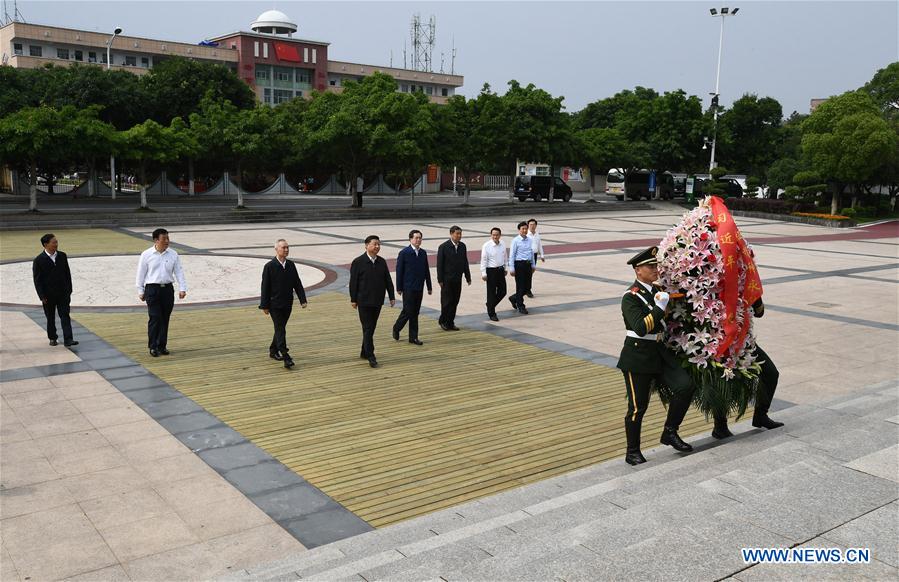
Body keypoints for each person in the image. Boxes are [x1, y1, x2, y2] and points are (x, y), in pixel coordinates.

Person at [617, 246, 695, 465]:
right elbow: (641, 327)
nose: (655, 270)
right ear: (637, 270)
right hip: (638, 355)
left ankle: (669, 431)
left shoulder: (655, 291)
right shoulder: (630, 297)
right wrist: (661, 306)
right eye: (650, 267)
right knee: (637, 407)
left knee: (685, 386)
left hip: (660, 351)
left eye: (656, 266)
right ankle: (632, 451)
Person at [711, 297, 784, 438]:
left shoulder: (745, 280)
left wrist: (754, 297)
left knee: (770, 373)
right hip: (719, 342)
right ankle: (720, 425)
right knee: (721, 380)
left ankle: (761, 415)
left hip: (744, 341)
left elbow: (759, 313)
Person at [135, 228, 187, 357]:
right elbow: (140, 274)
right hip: (152, 289)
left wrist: (182, 288)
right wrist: (140, 290)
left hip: (167, 290)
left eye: (168, 238)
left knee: (165, 318)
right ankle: (153, 346)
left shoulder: (173, 254)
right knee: (155, 317)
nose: (167, 241)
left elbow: (179, 272)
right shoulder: (146, 254)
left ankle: (162, 345)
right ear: (156, 240)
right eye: (164, 239)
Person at [259, 239, 308, 369]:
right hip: (274, 304)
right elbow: (265, 287)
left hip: (287, 303)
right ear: (276, 249)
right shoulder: (269, 266)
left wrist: (302, 299)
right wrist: (264, 305)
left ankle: (273, 350)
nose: (286, 250)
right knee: (280, 328)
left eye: (287, 247)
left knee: (280, 328)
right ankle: (285, 356)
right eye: (283, 247)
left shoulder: (291, 265)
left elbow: (297, 282)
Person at [349, 235, 395, 368]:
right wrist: (353, 299)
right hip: (363, 301)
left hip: (377, 300)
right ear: (366, 245)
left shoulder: (381, 261)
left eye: (379, 244)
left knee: (371, 327)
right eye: (374, 244)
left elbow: (387, 280)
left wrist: (391, 296)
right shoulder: (358, 262)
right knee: (368, 327)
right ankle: (371, 355)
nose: (377, 247)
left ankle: (364, 351)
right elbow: (353, 282)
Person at [32, 233, 77, 347]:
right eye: (54, 242)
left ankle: (68, 339)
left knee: (65, 316)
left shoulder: (62, 255)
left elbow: (67, 273)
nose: (56, 244)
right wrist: (42, 296)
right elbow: (37, 280)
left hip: (63, 294)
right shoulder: (38, 260)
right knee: (50, 318)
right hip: (48, 296)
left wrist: (69, 290)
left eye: (56, 242)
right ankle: (53, 338)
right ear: (45, 244)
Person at [393, 229, 432, 345]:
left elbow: (426, 270)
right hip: (408, 287)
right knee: (408, 311)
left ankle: (413, 337)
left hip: (419, 287)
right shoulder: (404, 253)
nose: (418, 240)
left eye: (420, 238)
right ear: (410, 239)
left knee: (415, 312)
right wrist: (399, 287)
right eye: (416, 238)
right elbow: (399, 271)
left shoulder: (423, 253)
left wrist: (429, 286)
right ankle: (397, 327)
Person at [436, 225, 471, 331]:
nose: (459, 236)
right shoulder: (443, 247)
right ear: (451, 234)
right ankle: (443, 321)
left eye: (460, 234)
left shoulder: (462, 246)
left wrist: (467, 276)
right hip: (447, 280)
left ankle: (451, 322)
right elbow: (439, 265)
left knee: (455, 301)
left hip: (457, 279)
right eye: (457, 234)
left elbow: (465, 262)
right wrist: (440, 279)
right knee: (446, 302)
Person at [507, 221, 536, 315]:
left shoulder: (529, 240)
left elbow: (531, 253)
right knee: (520, 287)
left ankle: (514, 298)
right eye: (522, 229)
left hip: (528, 265)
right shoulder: (515, 240)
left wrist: (533, 265)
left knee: (528, 287)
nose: (524, 230)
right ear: (519, 230)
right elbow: (512, 255)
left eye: (526, 228)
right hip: (519, 265)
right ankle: (521, 305)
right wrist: (511, 268)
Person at [480, 227, 507, 322]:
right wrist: (483, 273)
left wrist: (505, 268)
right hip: (491, 271)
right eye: (493, 235)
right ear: (491, 235)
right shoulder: (486, 246)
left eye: (497, 235)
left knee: (503, 291)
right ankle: (492, 313)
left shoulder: (503, 243)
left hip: (500, 270)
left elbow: (505, 256)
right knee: (491, 293)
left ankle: (490, 305)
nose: (495, 236)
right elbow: (483, 260)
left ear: (500, 235)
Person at [526, 218, 545, 298]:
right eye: (530, 225)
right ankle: (527, 290)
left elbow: (539, 245)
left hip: (534, 256)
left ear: (536, 225)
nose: (532, 226)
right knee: (527, 273)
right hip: (527, 256)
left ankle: (527, 289)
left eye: (534, 224)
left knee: (531, 273)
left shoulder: (537, 234)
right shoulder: (526, 234)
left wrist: (542, 255)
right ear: (528, 225)